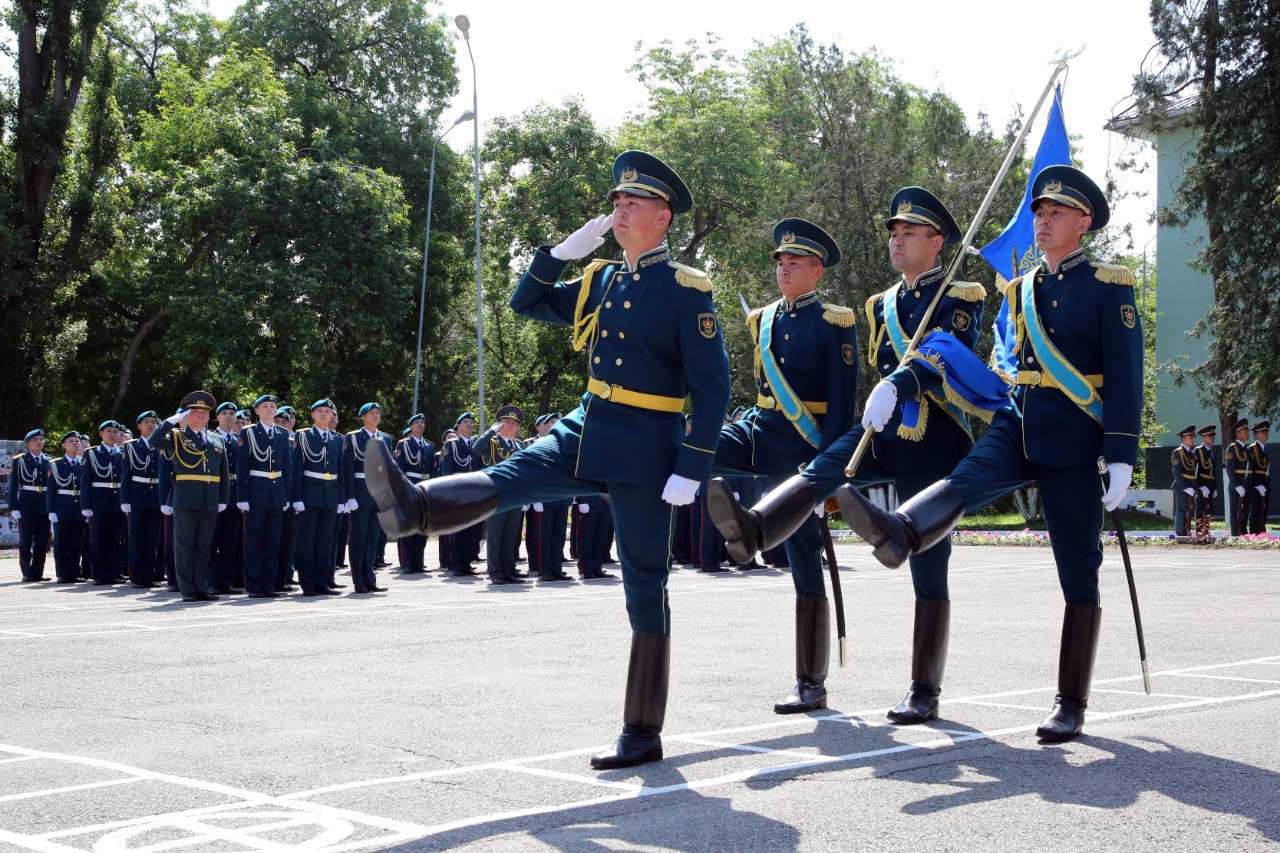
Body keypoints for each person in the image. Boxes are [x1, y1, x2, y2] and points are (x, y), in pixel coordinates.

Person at [365, 150, 729, 769]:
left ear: (663, 217)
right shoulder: (603, 280)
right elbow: (523, 303)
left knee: (645, 581)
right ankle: (414, 508)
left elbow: (713, 387)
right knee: (512, 476)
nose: (619, 210)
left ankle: (641, 732)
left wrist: (690, 467)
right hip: (586, 424)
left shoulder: (684, 288)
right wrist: (559, 254)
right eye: (616, 201)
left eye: (633, 203)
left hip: (646, 444)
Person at [833, 165, 1142, 744]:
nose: (1042, 221)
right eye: (1039, 213)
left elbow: (1125, 374)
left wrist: (1120, 451)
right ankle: (900, 529)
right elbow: (1013, 361)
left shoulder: (1108, 284)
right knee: (966, 481)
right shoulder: (1021, 288)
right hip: (1020, 421)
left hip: (1076, 438)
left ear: (1083, 222)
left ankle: (1070, 703)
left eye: (1055, 214)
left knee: (1078, 569)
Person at [708, 196, 979, 718]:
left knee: (928, 566)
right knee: (825, 468)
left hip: (934, 442)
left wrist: (903, 381)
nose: (896, 239)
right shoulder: (881, 304)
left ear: (937, 242)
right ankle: (761, 525)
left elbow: (950, 354)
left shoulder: (959, 296)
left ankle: (925, 691)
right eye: (894, 232)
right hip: (881, 435)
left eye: (909, 232)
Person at [149, 391, 231, 601]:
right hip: (185, 499)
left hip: (210, 499)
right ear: (187, 415)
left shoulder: (216, 438)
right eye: (195, 412)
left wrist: (223, 499)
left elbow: (223, 471)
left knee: (204, 547)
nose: (200, 416)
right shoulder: (177, 437)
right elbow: (154, 439)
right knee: (185, 546)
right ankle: (187, 590)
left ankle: (201, 587)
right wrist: (171, 421)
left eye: (204, 412)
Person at [236, 395, 293, 598]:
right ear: (257, 411)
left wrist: (286, 495)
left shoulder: (282, 434)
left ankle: (269, 584)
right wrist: (241, 497)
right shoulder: (248, 433)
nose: (269, 409)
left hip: (276, 492)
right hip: (255, 492)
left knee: (272, 541)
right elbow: (242, 467)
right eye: (265, 406)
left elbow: (287, 467)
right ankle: (253, 585)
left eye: (272, 406)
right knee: (253, 541)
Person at [290, 399, 346, 596]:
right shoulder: (303, 436)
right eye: (320, 411)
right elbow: (296, 470)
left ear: (332, 415)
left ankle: (322, 582)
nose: (324, 414)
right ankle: (307, 583)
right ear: (312, 415)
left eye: (328, 411)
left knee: (325, 541)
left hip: (330, 495)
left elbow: (342, 471)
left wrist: (342, 499)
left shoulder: (338, 439)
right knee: (307, 540)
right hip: (309, 494)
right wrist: (296, 497)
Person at [470, 405, 531, 585]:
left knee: (511, 535)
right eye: (506, 421)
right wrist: (491, 431)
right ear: (499, 424)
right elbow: (476, 449)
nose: (511, 425)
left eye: (514, 422)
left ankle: (509, 569)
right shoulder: (492, 442)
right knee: (496, 535)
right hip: (497, 494)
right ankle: (496, 572)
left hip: (515, 495)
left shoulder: (520, 446)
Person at [342, 402, 391, 593]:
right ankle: (358, 581)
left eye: (378, 413)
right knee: (358, 539)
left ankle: (370, 579)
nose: (375, 416)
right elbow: (347, 469)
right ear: (362, 417)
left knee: (373, 539)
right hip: (360, 494)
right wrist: (350, 496)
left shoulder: (385, 439)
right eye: (371, 413)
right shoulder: (354, 438)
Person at [80, 420, 128, 585]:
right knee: (99, 538)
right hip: (99, 501)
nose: (113, 434)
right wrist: (85, 505)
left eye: (115, 432)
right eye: (109, 431)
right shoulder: (91, 453)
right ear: (101, 434)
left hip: (118, 501)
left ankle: (114, 572)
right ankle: (99, 573)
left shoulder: (122, 452)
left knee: (116, 539)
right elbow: (85, 481)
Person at [120, 411, 163, 588]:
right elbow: (125, 475)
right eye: (146, 422)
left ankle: (149, 575)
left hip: (156, 495)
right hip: (137, 495)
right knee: (137, 538)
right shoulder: (130, 446)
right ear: (139, 426)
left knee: (153, 539)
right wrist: (125, 500)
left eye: (153, 422)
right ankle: (137, 577)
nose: (151, 425)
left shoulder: (162, 445)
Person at [439, 414, 482, 576]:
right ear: (458, 427)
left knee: (473, 531)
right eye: (465, 422)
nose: (469, 425)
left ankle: (467, 563)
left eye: (471, 422)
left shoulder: (477, 445)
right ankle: (456, 564)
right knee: (458, 531)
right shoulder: (452, 445)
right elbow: (447, 471)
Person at [394, 414, 436, 574]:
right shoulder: (403, 444)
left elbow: (432, 470)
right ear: (411, 427)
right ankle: (407, 563)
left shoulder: (429, 446)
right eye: (416, 423)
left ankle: (418, 562)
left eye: (422, 422)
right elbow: (399, 470)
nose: (420, 425)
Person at [9, 428, 52, 581]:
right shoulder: (19, 460)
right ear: (28, 443)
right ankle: (27, 572)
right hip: (27, 504)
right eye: (35, 440)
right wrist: (13, 507)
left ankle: (38, 572)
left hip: (44, 504)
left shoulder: (49, 460)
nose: (39, 442)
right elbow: (13, 485)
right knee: (26, 540)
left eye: (41, 439)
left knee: (42, 541)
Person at [210, 402, 244, 593]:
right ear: (217, 417)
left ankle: (226, 581)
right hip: (215, 495)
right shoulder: (210, 438)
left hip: (233, 497)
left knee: (230, 542)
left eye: (232, 413)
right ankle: (212, 581)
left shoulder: (238, 440)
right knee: (211, 542)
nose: (229, 417)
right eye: (225, 413)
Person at [46, 432, 88, 583]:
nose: (76, 443)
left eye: (77, 441)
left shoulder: (83, 463)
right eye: (71, 441)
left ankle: (74, 573)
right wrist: (51, 510)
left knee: (76, 542)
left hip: (78, 507)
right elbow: (51, 490)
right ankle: (63, 574)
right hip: (62, 506)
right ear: (64, 445)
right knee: (62, 543)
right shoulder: (55, 464)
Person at [274, 406, 300, 591]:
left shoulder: (296, 442)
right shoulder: (273, 439)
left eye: (287, 420)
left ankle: (285, 576)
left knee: (288, 540)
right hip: (274, 495)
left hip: (291, 497)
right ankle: (272, 577)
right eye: (279, 421)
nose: (284, 424)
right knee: (273, 539)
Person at [1171, 425, 1198, 538]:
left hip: (1191, 486)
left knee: (1189, 511)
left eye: (1193, 436)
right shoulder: (1178, 452)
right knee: (1182, 510)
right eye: (1190, 436)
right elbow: (1177, 473)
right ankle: (1180, 534)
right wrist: (1186, 488)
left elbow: (1194, 473)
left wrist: (1194, 488)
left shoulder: (1192, 454)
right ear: (1183, 438)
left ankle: (1186, 531)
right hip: (1182, 486)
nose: (1193, 439)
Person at [1225, 418, 1251, 536]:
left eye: (1247, 431)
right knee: (1236, 511)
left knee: (1244, 511)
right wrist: (1237, 486)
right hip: (1237, 485)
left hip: (1246, 484)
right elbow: (1230, 470)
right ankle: (1236, 535)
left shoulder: (1245, 448)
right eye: (1245, 431)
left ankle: (1244, 533)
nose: (1247, 433)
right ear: (1237, 433)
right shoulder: (1233, 447)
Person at [1194, 425, 1218, 541]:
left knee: (1208, 509)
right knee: (1200, 508)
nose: (1213, 438)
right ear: (1203, 437)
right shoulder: (1198, 451)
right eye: (1210, 435)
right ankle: (1199, 532)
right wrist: (1200, 486)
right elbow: (1196, 471)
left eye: (1213, 436)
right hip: (1202, 485)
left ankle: (1206, 531)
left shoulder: (1211, 451)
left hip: (1210, 485)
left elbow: (1214, 471)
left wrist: (1215, 488)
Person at [1246, 420, 1270, 534]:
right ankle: (1254, 534)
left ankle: (1262, 532)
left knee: (1263, 510)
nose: (1266, 434)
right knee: (1255, 510)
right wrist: (1257, 485)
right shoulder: (1252, 449)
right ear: (1256, 434)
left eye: (1266, 432)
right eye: (1262, 432)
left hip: (1264, 484)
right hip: (1255, 486)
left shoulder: (1264, 449)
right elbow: (1251, 470)